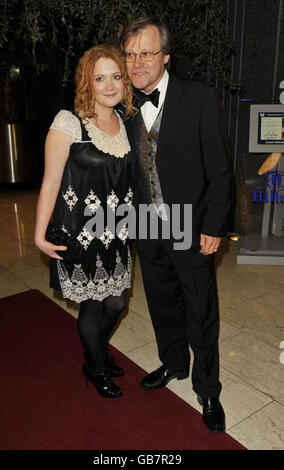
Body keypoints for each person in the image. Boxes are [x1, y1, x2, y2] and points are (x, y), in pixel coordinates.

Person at [120, 17, 232, 431]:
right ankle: (173, 364)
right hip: (146, 223)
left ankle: (208, 389)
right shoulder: (124, 104)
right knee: (162, 302)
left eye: (146, 53)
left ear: (165, 56)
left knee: (200, 308)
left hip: (191, 223)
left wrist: (214, 226)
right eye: (130, 54)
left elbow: (220, 169)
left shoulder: (199, 98)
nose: (137, 63)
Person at [34, 44, 137, 399]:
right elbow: (50, 181)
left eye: (116, 77)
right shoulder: (69, 122)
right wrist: (39, 233)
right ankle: (94, 367)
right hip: (81, 232)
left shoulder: (123, 122)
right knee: (94, 304)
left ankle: (97, 351)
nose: (109, 85)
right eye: (99, 78)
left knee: (118, 301)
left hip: (118, 230)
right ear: (86, 83)